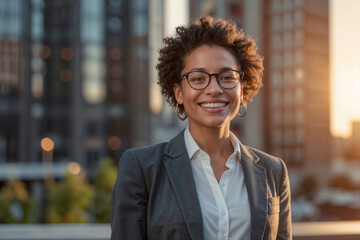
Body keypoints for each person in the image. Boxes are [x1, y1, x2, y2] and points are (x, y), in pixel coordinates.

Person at [111, 16, 292, 240]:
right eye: (198, 78)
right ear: (178, 92)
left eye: (227, 77)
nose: (214, 89)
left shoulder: (273, 170)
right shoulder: (141, 168)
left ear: (242, 89)